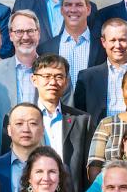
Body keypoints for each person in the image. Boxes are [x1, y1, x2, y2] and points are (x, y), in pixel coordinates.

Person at [28, 53, 95, 181]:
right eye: (46, 76)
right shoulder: (19, 119)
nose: (53, 82)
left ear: (66, 81)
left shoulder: (82, 120)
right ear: (34, 80)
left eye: (59, 77)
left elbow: (88, 168)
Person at [0, 9, 44, 146]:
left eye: (30, 31)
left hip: (45, 151)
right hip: (6, 152)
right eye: (19, 32)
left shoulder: (53, 72)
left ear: (38, 34)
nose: (25, 37)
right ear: (10, 35)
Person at [74, 18, 127, 125]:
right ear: (103, 42)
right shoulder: (87, 78)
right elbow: (79, 118)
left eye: (122, 40)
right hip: (98, 139)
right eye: (113, 40)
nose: (118, 45)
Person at [0, 101, 45, 192]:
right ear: (9, 130)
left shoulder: (57, 169)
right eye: (19, 124)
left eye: (32, 123)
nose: (26, 130)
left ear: (43, 129)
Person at [36, 0, 103, 72]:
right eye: (68, 5)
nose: (73, 10)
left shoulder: (103, 47)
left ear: (88, 9)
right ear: (62, 10)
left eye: (79, 5)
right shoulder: (44, 49)